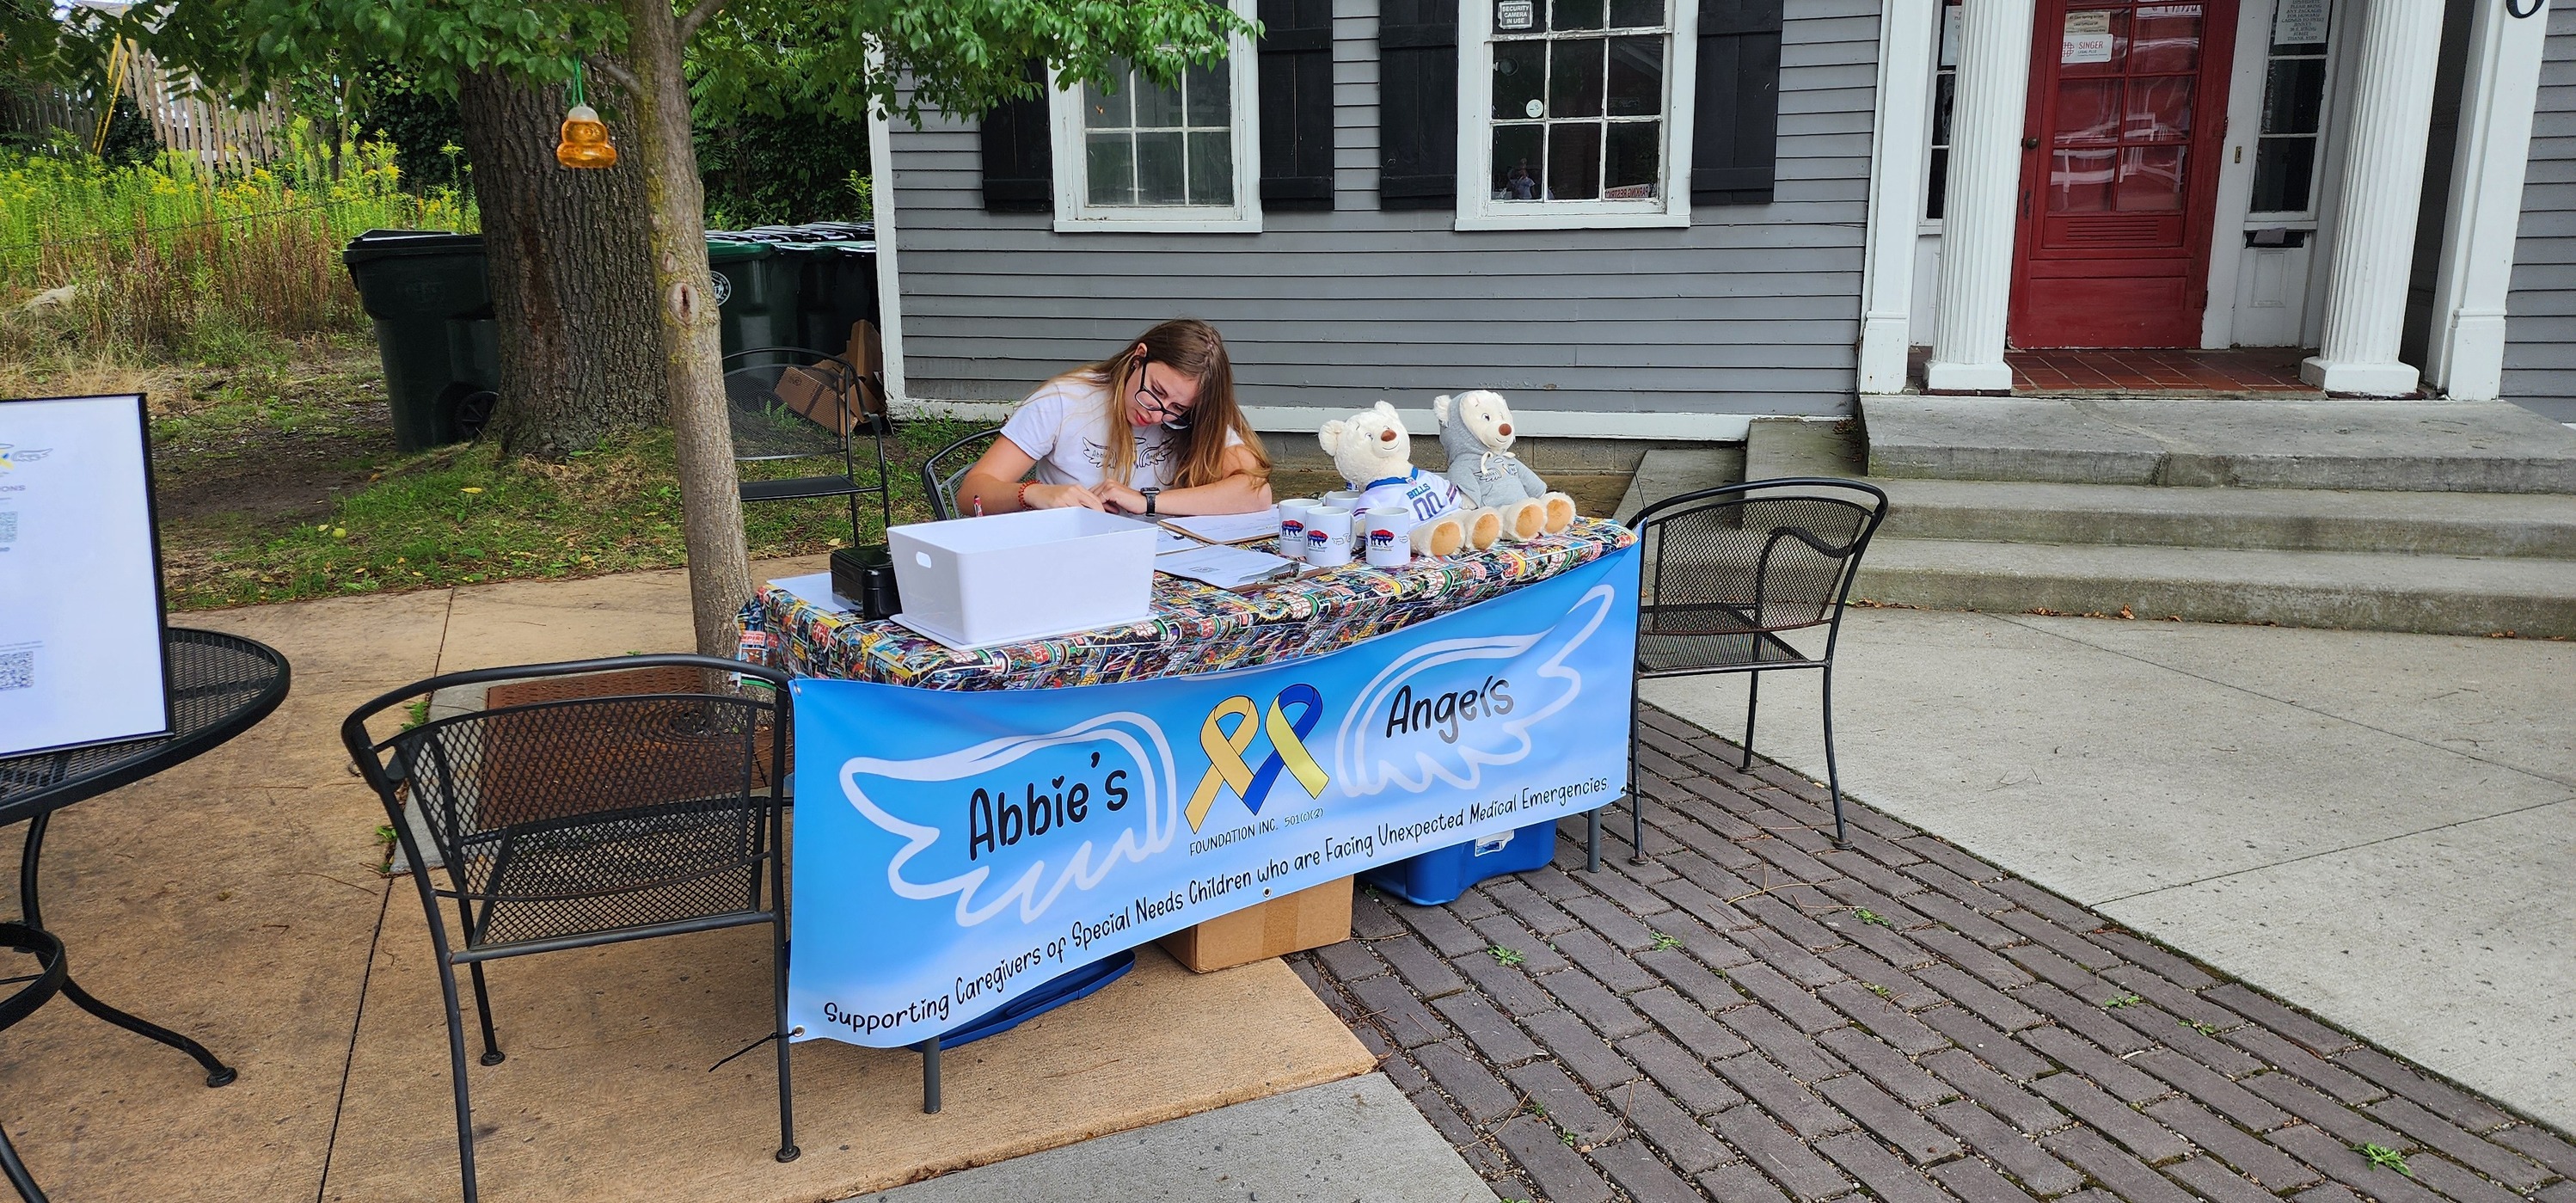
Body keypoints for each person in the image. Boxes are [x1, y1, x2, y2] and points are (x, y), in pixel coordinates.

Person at [955, 317, 1274, 518]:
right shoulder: (1065, 401)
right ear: (1138, 359)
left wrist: (1146, 502)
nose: (1156, 413)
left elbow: (1257, 493)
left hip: (1163, 560)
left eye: (1178, 409)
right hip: (1072, 558)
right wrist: (1035, 493)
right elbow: (971, 495)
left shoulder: (1191, 416)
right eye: (1156, 392)